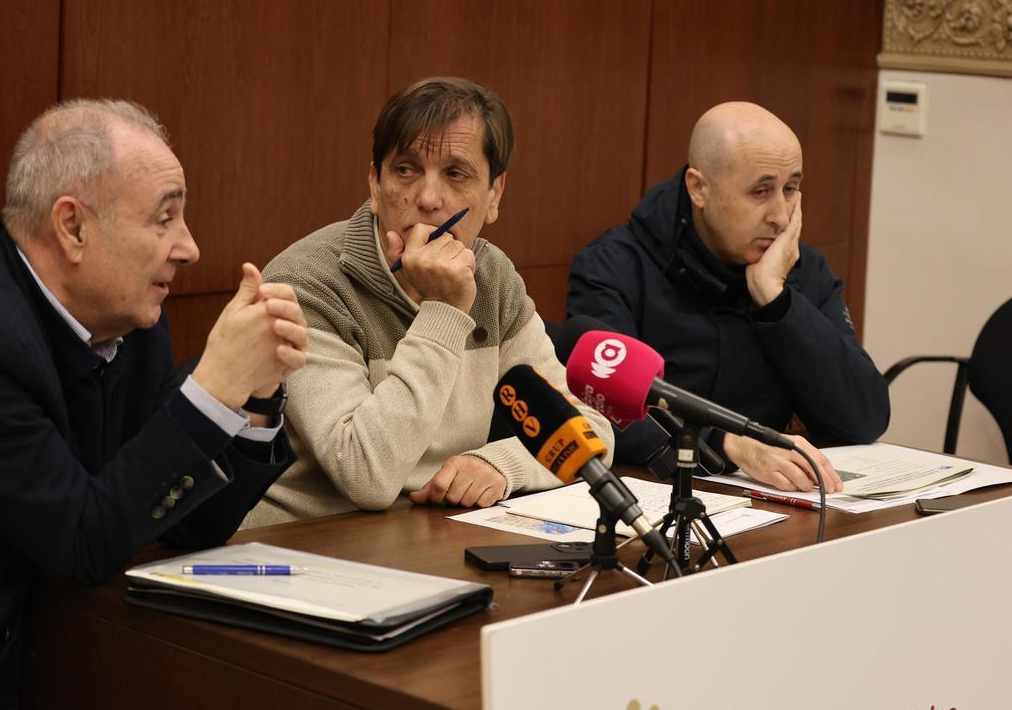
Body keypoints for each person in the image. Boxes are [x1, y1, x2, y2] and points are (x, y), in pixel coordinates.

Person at [0, 99, 307, 710]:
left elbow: (183, 519)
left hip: (50, 660)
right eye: (165, 219)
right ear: (72, 227)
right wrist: (212, 390)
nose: (189, 247)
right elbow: (83, 541)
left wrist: (253, 396)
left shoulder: (127, 318)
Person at [243, 77, 615, 528]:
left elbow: (592, 434)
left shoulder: (492, 276)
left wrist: (502, 465)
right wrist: (445, 309)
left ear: (494, 195)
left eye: (456, 174)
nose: (427, 198)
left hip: (432, 534)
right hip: (308, 541)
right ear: (374, 184)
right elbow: (365, 475)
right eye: (406, 170)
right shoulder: (308, 282)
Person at [567, 102, 889, 493]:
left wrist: (776, 300)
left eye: (790, 189)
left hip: (772, 497)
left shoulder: (799, 269)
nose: (781, 216)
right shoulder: (614, 266)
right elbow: (603, 406)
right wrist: (727, 444)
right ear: (699, 189)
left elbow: (865, 418)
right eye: (760, 191)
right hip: (654, 493)